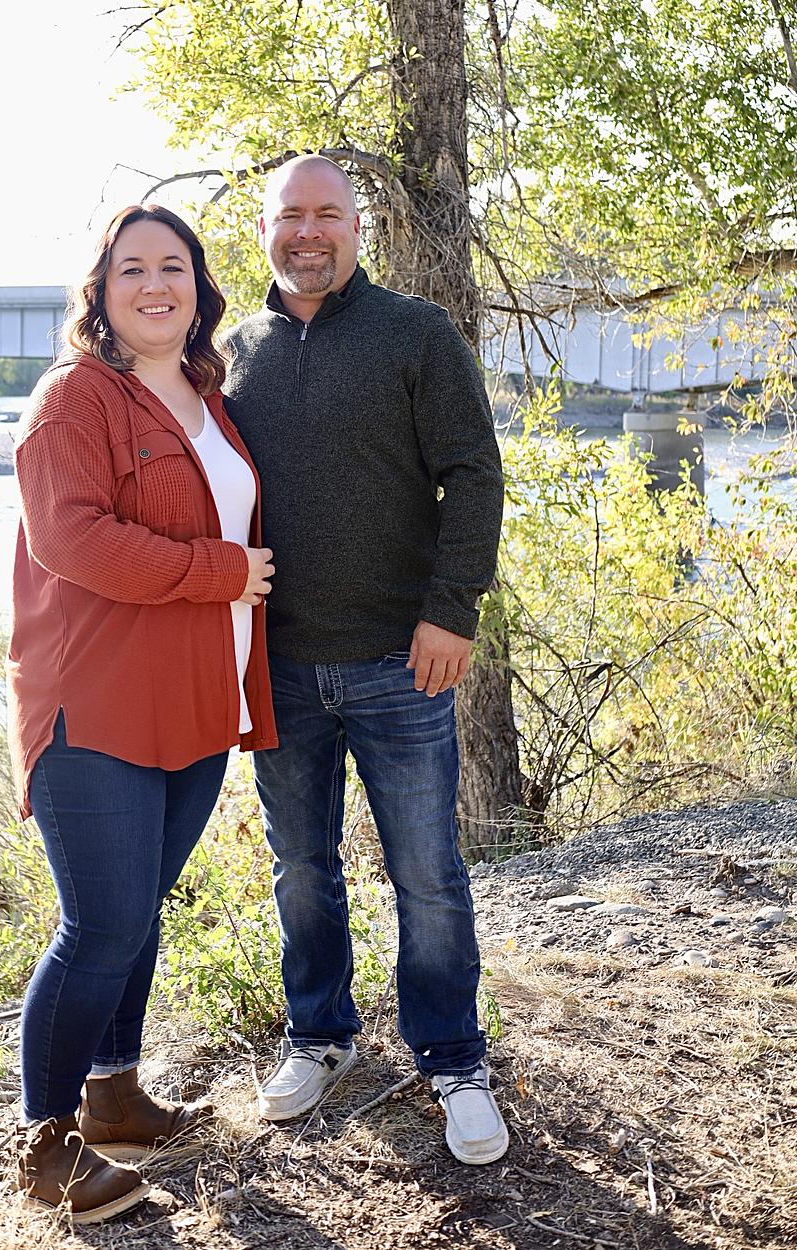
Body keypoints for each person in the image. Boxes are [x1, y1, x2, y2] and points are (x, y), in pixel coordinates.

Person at [222, 155, 508, 1166]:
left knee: (426, 873)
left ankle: (454, 1058)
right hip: (279, 669)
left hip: (402, 660)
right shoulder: (231, 353)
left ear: (356, 225)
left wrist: (451, 611)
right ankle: (320, 1035)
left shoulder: (415, 333)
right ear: (266, 228)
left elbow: (474, 473)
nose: (308, 231)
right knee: (301, 868)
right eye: (289, 215)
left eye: (327, 214)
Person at [6, 203, 277, 1223]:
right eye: (132, 268)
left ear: (200, 287)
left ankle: (113, 1093)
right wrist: (219, 572)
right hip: (95, 704)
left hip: (196, 703)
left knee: (140, 910)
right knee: (101, 924)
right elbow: (72, 540)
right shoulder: (74, 398)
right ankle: (44, 1145)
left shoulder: (209, 396)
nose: (155, 284)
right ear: (102, 290)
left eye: (174, 266)